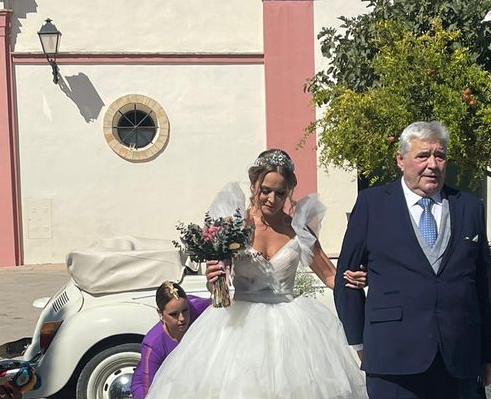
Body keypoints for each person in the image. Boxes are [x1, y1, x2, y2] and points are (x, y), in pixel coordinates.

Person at [145, 149, 368, 398]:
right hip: (238, 326)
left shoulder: (299, 230)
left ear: (288, 192)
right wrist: (213, 278)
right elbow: (218, 282)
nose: (272, 199)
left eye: (280, 193)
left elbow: (329, 275)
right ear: (254, 186)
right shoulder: (234, 227)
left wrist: (354, 279)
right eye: (266, 191)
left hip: (292, 329)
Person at [334, 120, 491, 399]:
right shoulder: (372, 204)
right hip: (393, 356)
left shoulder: (468, 206)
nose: (433, 164)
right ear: (401, 160)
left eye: (440, 156)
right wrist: (359, 341)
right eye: (423, 156)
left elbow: (484, 284)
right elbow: (346, 279)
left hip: (458, 357)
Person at [131, 281, 210, 399]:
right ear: (160, 313)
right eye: (174, 314)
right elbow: (150, 391)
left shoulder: (196, 307)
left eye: (185, 310)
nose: (182, 318)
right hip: (151, 383)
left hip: (186, 373)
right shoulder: (153, 344)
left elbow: (221, 305)